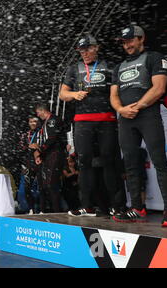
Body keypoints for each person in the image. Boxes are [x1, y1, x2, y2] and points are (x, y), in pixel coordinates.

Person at [110, 25, 167, 227]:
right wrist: (121, 109)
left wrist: (137, 106)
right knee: (131, 165)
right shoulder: (118, 67)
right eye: (124, 42)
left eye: (130, 40)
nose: (127, 45)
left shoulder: (154, 57)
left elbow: (159, 87)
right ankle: (137, 207)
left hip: (148, 115)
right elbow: (113, 95)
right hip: (126, 119)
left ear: (141, 39)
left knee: (160, 163)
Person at [60, 34, 123, 217]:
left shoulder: (111, 66)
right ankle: (87, 205)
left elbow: (117, 92)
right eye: (81, 50)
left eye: (88, 48)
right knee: (84, 163)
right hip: (82, 121)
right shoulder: (74, 69)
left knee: (109, 161)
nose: (84, 53)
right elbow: (62, 94)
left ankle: (116, 205)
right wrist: (74, 95)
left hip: (106, 120)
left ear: (97, 47)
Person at [30, 104, 66, 213]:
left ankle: (57, 212)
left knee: (52, 184)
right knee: (46, 185)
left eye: (38, 113)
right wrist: (39, 154)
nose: (38, 115)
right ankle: (52, 211)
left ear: (42, 110)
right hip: (48, 155)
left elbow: (52, 138)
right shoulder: (45, 123)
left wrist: (40, 150)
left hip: (55, 153)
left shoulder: (52, 120)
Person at [18, 116, 41, 214]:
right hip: (27, 163)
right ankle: (31, 209)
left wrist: (38, 147)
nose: (33, 123)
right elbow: (20, 148)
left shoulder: (42, 133)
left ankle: (41, 209)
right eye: (31, 121)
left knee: (42, 187)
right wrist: (29, 146)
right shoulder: (25, 135)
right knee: (27, 187)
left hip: (40, 162)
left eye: (35, 121)